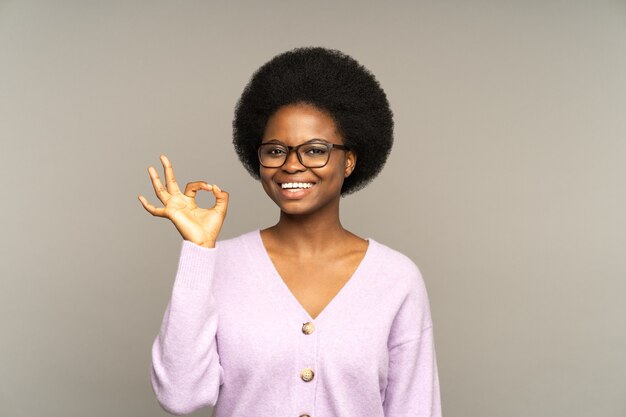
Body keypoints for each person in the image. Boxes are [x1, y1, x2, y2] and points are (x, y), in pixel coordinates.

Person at [138, 46, 442, 417]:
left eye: (314, 150)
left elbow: (415, 409)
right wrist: (199, 251)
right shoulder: (220, 265)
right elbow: (180, 397)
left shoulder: (397, 279)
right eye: (276, 150)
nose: (292, 166)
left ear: (348, 161)